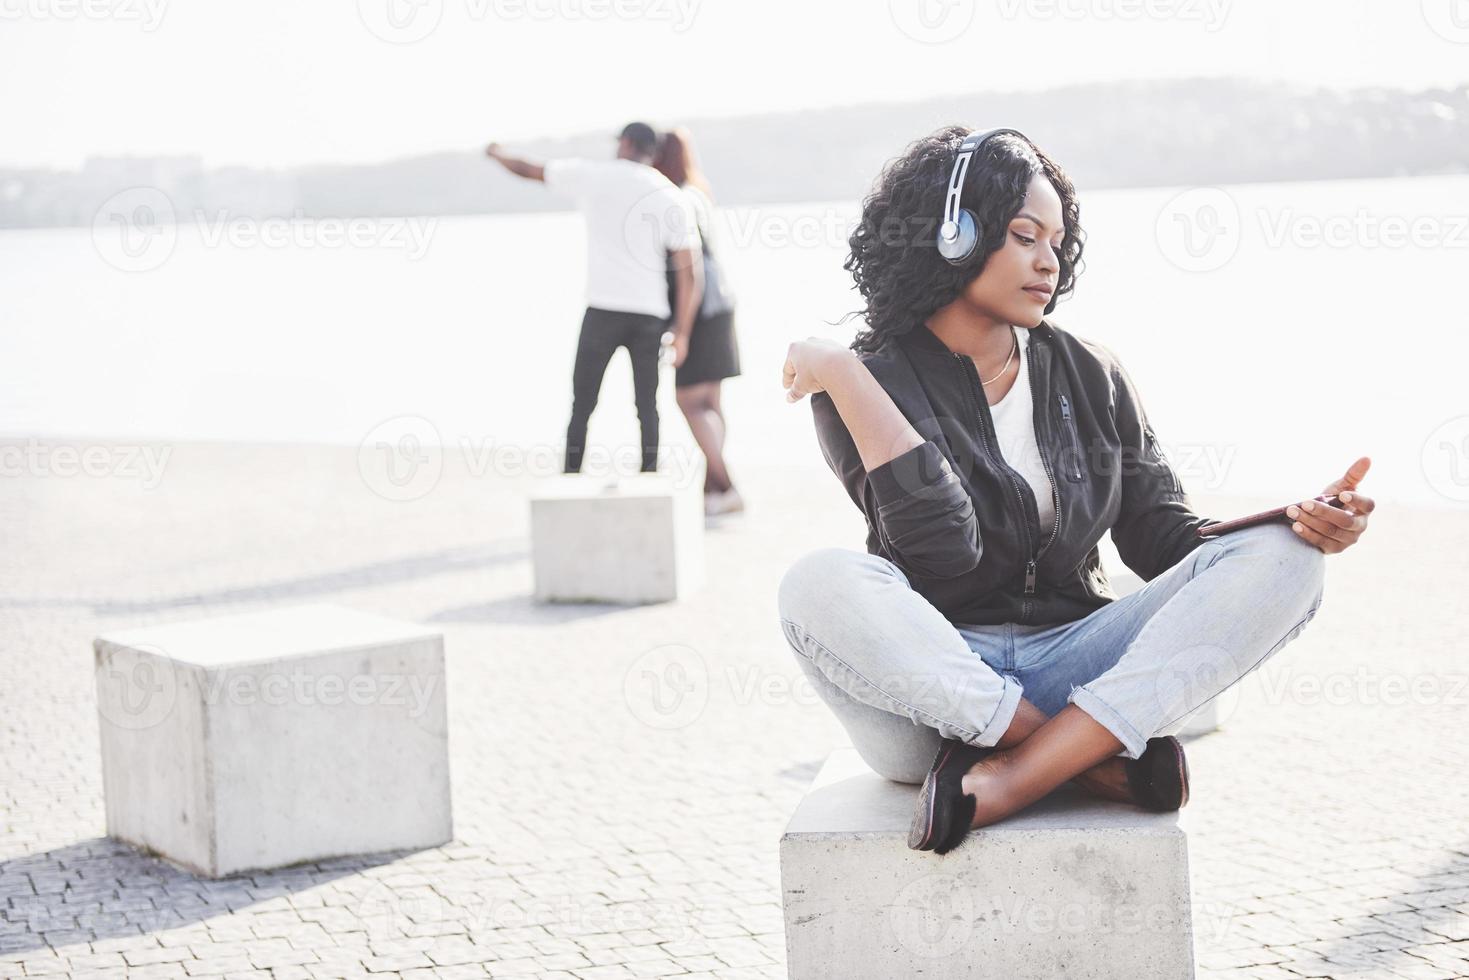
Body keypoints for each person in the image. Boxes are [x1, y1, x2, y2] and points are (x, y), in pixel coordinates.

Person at [777, 126, 1375, 855]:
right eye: (1024, 235)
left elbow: (1163, 537)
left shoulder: (1090, 372)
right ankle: (1083, 760)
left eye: (1056, 243)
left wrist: (1290, 521)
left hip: (1076, 661)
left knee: (1285, 556)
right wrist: (841, 372)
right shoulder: (867, 381)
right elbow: (941, 558)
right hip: (932, 695)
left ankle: (1016, 774)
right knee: (818, 581)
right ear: (953, 235)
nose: (1046, 262)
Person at [486, 121, 703, 474]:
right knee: (647, 405)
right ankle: (649, 476)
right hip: (650, 314)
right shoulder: (669, 195)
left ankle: (571, 474)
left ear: (628, 144)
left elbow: (529, 169)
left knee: (582, 403)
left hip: (602, 310)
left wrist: (496, 153)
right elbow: (690, 272)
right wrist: (683, 331)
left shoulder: (594, 176)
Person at [651, 127, 745, 516]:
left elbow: (688, 270)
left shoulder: (675, 198)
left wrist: (681, 330)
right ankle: (714, 491)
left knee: (688, 399)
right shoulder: (699, 192)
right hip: (720, 304)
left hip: (698, 307)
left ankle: (726, 484)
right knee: (709, 400)